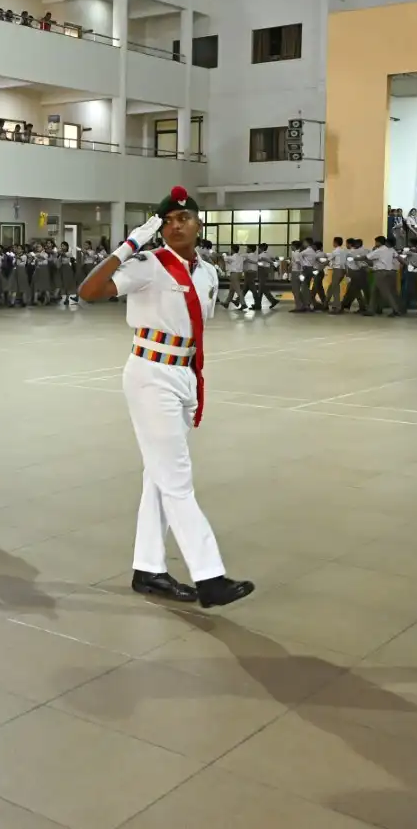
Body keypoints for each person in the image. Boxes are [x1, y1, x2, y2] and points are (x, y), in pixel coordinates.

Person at [78, 186, 254, 609]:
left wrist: (192, 381)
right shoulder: (149, 265)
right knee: (176, 479)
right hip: (150, 374)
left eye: (184, 218)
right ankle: (209, 576)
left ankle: (148, 568)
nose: (176, 226)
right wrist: (130, 244)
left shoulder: (207, 273)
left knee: (158, 476)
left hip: (183, 375)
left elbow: (195, 330)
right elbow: (89, 290)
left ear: (198, 224)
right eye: (168, 221)